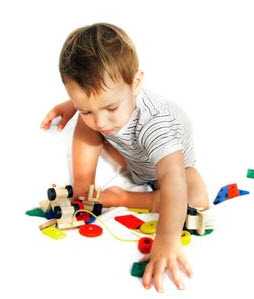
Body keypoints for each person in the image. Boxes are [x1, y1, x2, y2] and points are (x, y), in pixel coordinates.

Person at [41, 23, 209, 293]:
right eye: (86, 109)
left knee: (197, 198)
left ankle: (127, 197)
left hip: (168, 167)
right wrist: (74, 108)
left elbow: (173, 179)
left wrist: (166, 241)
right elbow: (96, 102)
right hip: (128, 155)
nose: (101, 121)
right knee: (87, 127)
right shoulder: (100, 113)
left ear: (136, 82)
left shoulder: (157, 124)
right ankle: (85, 186)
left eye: (111, 107)